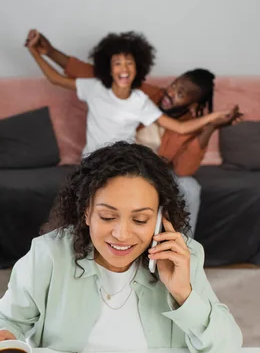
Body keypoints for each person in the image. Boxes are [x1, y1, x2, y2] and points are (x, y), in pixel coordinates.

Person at [0, 142, 242, 353]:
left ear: (161, 218)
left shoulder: (183, 256)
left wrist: (184, 293)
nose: (121, 234)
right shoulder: (49, 254)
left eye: (140, 220)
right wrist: (2, 336)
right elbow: (5, 320)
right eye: (107, 216)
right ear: (86, 212)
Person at [25, 30, 240, 232]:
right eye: (174, 85)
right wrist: (44, 51)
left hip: (135, 166)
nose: (171, 92)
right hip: (99, 163)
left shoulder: (144, 103)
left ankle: (178, 255)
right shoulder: (110, 88)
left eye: (181, 93)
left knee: (184, 189)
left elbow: (182, 151)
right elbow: (71, 75)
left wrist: (211, 123)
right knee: (73, 206)